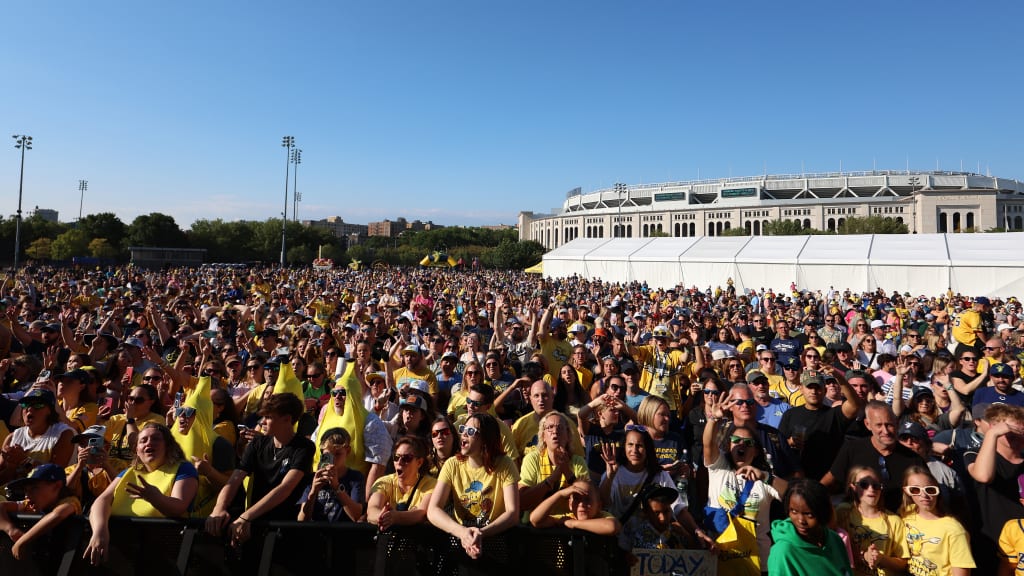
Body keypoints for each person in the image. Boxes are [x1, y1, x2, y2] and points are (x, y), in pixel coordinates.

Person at [205, 393, 314, 555]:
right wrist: (219, 508)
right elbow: (235, 479)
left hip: (287, 529)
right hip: (254, 525)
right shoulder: (258, 443)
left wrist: (246, 516)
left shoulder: (304, 447)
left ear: (287, 419)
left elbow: (286, 488)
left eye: (269, 417)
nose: (262, 422)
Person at [83, 423, 199, 566]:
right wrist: (100, 531)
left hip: (162, 555)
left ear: (168, 446)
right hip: (121, 550)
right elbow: (101, 502)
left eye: (156, 439)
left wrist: (156, 498)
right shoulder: (128, 472)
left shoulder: (183, 469)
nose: (149, 443)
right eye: (143, 440)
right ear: (137, 449)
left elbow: (178, 506)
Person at [702, 393, 786, 575]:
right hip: (719, 557)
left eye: (748, 443)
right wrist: (713, 420)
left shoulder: (763, 478)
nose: (742, 445)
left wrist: (766, 477)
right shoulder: (719, 468)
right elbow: (708, 445)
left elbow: (793, 494)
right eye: (736, 441)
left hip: (757, 564)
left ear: (756, 451)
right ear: (727, 446)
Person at [426, 413, 520, 575]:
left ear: (485, 439)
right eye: (463, 429)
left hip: (495, 539)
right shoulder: (452, 465)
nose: (463, 434)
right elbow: (433, 510)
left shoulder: (505, 464)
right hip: (460, 540)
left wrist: (481, 534)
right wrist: (462, 533)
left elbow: (513, 513)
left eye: (471, 431)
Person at [824, 401, 925, 512]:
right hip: (857, 521)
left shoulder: (914, 459)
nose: (885, 431)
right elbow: (829, 481)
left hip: (900, 521)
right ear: (868, 424)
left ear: (897, 423)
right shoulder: (852, 449)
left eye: (889, 425)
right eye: (879, 425)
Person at [964, 403, 1024, 574]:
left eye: (1021, 432)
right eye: (1009, 432)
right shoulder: (974, 454)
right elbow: (984, 476)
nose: (1017, 436)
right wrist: (992, 434)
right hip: (992, 543)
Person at [778, 369, 864, 481]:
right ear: (801, 389)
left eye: (818, 387)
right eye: (809, 387)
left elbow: (855, 405)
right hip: (799, 480)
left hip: (828, 481)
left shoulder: (834, 414)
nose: (813, 391)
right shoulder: (790, 414)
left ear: (824, 390)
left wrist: (839, 377)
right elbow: (779, 445)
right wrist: (790, 442)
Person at [900, 466, 975, 576]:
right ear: (906, 491)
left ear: (938, 491)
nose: (924, 495)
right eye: (915, 490)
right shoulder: (905, 514)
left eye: (930, 489)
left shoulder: (954, 529)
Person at [767, 478, 852, 576]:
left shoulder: (834, 539)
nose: (801, 520)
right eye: (794, 511)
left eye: (809, 514)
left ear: (823, 512)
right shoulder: (783, 552)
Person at [834, 466, 908, 576]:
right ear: (853, 487)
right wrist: (863, 556)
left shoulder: (894, 520)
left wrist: (882, 558)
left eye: (876, 485)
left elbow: (902, 564)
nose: (871, 489)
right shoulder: (842, 512)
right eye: (864, 484)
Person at [0, 463, 81, 561]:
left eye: (34, 488)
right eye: (26, 490)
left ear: (56, 486)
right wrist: (11, 530)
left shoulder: (70, 501)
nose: (27, 495)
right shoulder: (29, 503)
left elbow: (58, 514)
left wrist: (22, 541)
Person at [518, 411, 590, 517]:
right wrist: (552, 479)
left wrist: (566, 471)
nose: (555, 431)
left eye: (560, 428)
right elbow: (522, 502)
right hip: (537, 524)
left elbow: (587, 498)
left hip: (569, 522)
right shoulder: (532, 459)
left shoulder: (578, 462)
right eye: (550, 427)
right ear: (543, 436)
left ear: (568, 436)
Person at [0, 389, 75, 484]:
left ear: (51, 410)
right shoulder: (12, 437)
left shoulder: (64, 434)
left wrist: (24, 461)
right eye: (25, 405)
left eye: (38, 405)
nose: (30, 409)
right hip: (14, 494)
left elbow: (55, 479)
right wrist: (11, 467)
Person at [367, 435, 436, 528]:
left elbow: (421, 513)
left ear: (419, 462)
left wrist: (395, 517)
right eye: (396, 457)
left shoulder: (431, 485)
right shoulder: (383, 482)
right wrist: (382, 517)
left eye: (406, 458)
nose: (399, 462)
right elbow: (372, 509)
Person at [298, 427, 364, 522]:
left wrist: (337, 487)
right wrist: (313, 492)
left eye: (337, 454)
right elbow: (301, 520)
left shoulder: (355, 478)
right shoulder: (312, 479)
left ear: (348, 451)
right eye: (328, 455)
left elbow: (356, 516)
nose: (333, 459)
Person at [529, 478, 619, 535]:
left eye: (587, 499)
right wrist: (559, 494)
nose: (581, 504)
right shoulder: (568, 518)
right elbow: (535, 520)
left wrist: (574, 524)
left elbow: (612, 527)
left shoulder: (601, 516)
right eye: (576, 499)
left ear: (599, 506)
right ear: (570, 504)